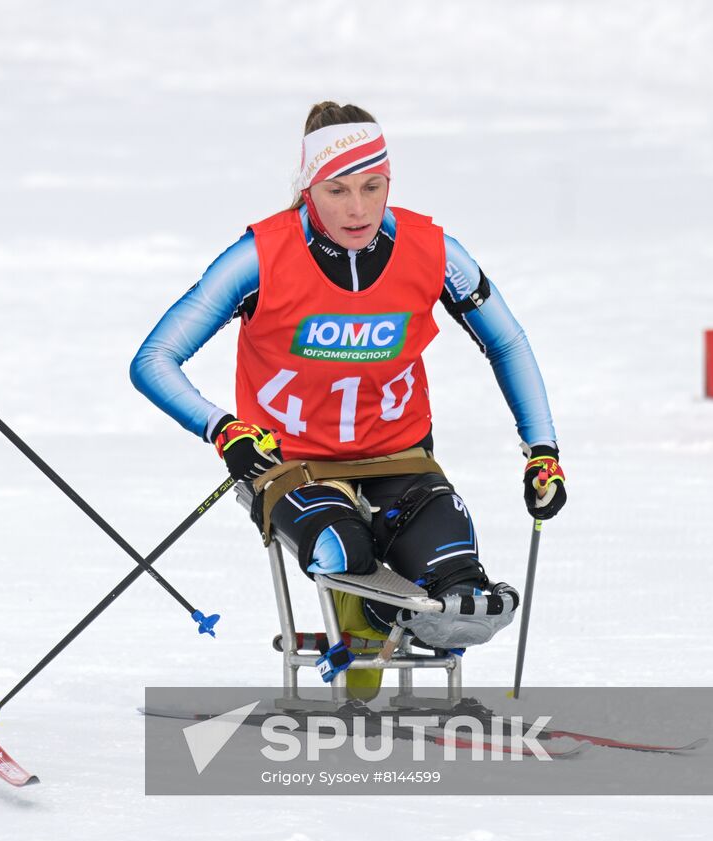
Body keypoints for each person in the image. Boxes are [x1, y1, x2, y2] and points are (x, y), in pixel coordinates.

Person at [130, 101, 566, 654]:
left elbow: (507, 341)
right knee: (345, 555)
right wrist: (225, 430)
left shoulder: (434, 252)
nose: (358, 209)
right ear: (308, 188)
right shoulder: (260, 257)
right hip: (293, 464)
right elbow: (154, 359)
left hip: (399, 460)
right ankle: (367, 659)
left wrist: (542, 449)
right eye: (337, 190)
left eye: (372, 186)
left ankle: (389, 651)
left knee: (462, 592)